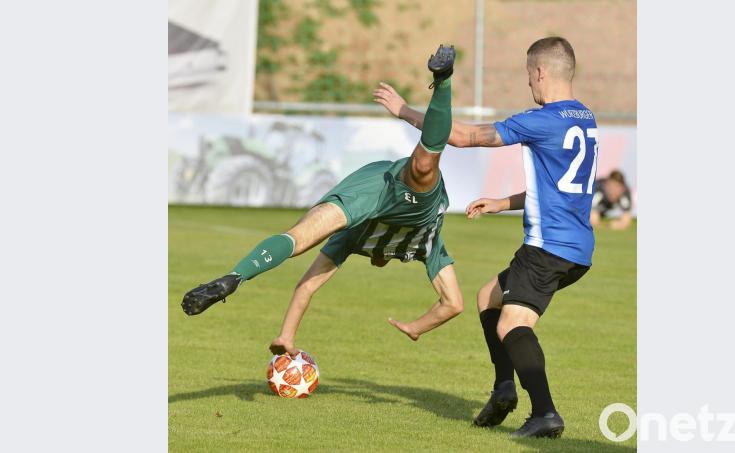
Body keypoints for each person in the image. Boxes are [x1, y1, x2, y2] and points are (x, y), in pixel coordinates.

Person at [374, 37, 597, 438]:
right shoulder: (584, 117)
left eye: (529, 74)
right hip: (577, 247)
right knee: (488, 297)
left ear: (540, 72)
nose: (529, 82)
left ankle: (545, 413)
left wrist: (404, 111)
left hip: (548, 247)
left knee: (512, 324)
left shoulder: (540, 119)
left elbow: (461, 136)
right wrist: (502, 202)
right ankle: (503, 390)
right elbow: (560, 188)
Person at [182, 45, 464, 357]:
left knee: (297, 239)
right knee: (425, 164)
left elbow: (307, 286)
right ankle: (444, 79)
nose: (378, 261)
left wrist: (286, 335)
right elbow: (452, 304)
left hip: (368, 188)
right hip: (397, 197)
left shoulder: (355, 239)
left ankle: (236, 276)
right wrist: (416, 327)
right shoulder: (427, 246)